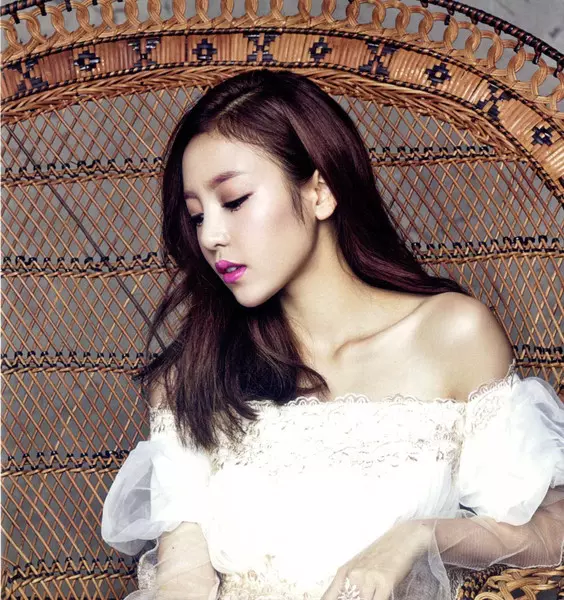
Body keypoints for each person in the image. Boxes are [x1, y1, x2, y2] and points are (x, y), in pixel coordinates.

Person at [101, 69, 564, 600]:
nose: (211, 236)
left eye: (234, 201)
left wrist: (418, 538)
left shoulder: (450, 335)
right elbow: (183, 576)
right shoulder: (199, 371)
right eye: (197, 215)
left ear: (321, 191)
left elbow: (549, 533)